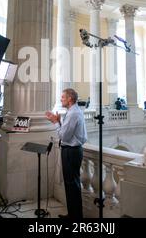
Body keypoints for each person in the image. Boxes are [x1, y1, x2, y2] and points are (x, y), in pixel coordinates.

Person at [46, 89, 87, 219]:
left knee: (72, 185)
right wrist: (59, 122)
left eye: (63, 97)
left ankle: (76, 218)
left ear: (70, 99)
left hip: (71, 152)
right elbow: (67, 132)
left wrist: (55, 123)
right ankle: (73, 215)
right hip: (72, 151)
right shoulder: (73, 111)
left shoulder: (73, 113)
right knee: (71, 185)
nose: (61, 99)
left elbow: (64, 136)